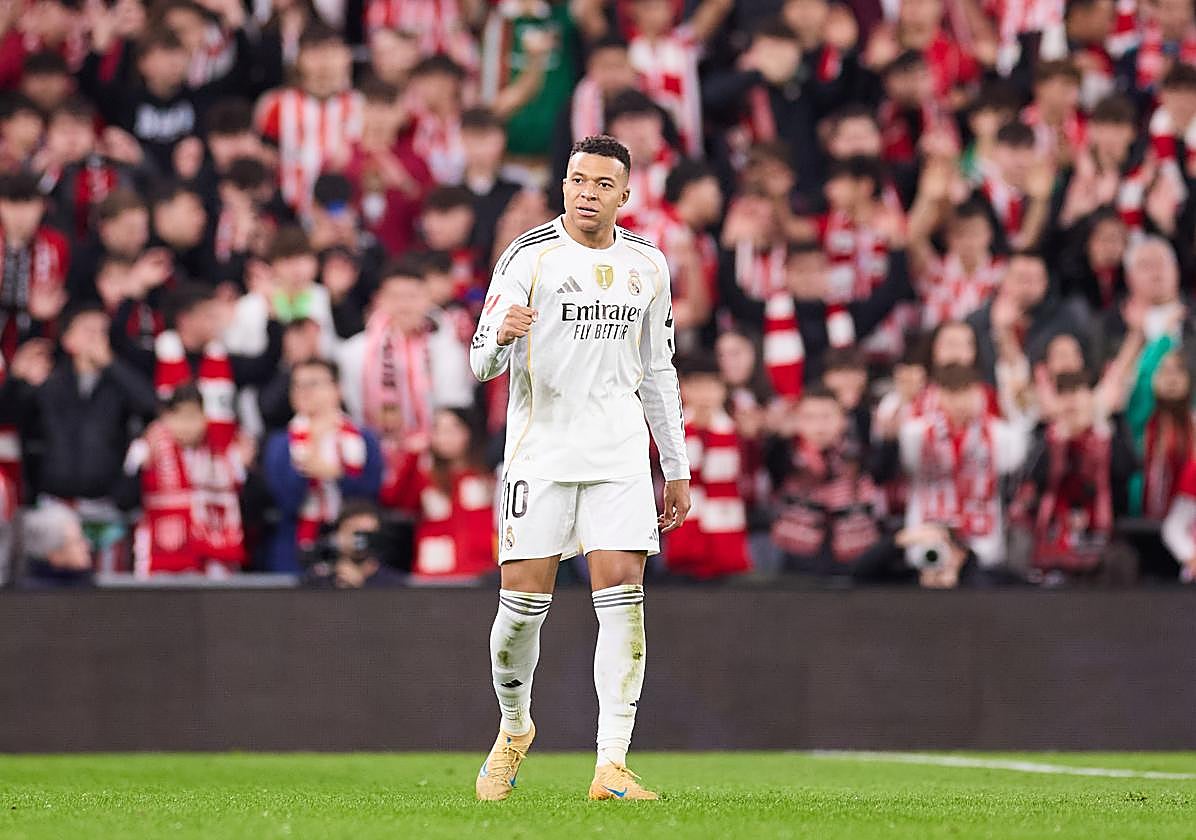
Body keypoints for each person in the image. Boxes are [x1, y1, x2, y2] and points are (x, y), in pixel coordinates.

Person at [469, 134, 690, 801]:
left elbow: (658, 368)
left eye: (601, 184)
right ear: (563, 185)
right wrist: (501, 336)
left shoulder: (648, 264)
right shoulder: (528, 256)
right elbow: (480, 359)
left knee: (623, 601)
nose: (587, 193)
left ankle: (611, 765)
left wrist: (674, 465)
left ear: (625, 195)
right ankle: (513, 730)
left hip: (619, 453)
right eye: (577, 180)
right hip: (542, 452)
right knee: (522, 610)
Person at [262, 358, 383, 573]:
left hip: (353, 543)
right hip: (298, 544)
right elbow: (285, 500)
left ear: (337, 389)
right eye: (298, 385)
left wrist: (337, 474)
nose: (304, 392)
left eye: (314, 384)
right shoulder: (281, 443)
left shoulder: (363, 439)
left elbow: (371, 495)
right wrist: (314, 445)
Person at [119, 383, 248, 576]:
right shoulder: (145, 449)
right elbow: (124, 500)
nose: (187, 425)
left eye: (193, 416)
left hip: (212, 562)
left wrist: (243, 470)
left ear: (204, 418)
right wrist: (140, 469)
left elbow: (249, 505)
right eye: (179, 416)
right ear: (167, 418)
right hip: (161, 556)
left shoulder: (224, 452)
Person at [664, 354, 751, 580]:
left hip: (726, 533)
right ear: (683, 389)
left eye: (711, 387)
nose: (704, 395)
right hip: (682, 534)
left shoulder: (738, 431)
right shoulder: (668, 431)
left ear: (723, 390)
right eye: (697, 387)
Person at [303, 499, 406, 587]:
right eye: (355, 532)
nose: (361, 540)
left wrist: (360, 587)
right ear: (339, 533)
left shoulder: (393, 584)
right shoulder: (317, 581)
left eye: (368, 533)